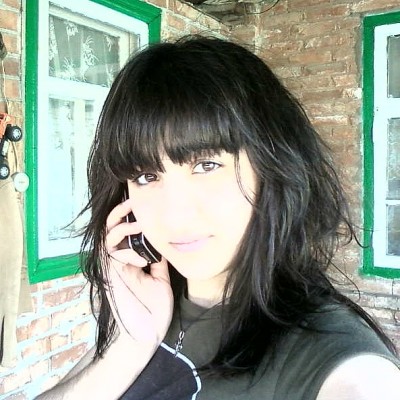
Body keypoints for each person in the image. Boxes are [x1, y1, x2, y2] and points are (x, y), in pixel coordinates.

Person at [36, 36, 400, 400]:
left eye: (207, 165)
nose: (174, 214)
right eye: (146, 176)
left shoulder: (335, 365)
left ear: (272, 168)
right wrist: (128, 347)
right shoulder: (143, 311)